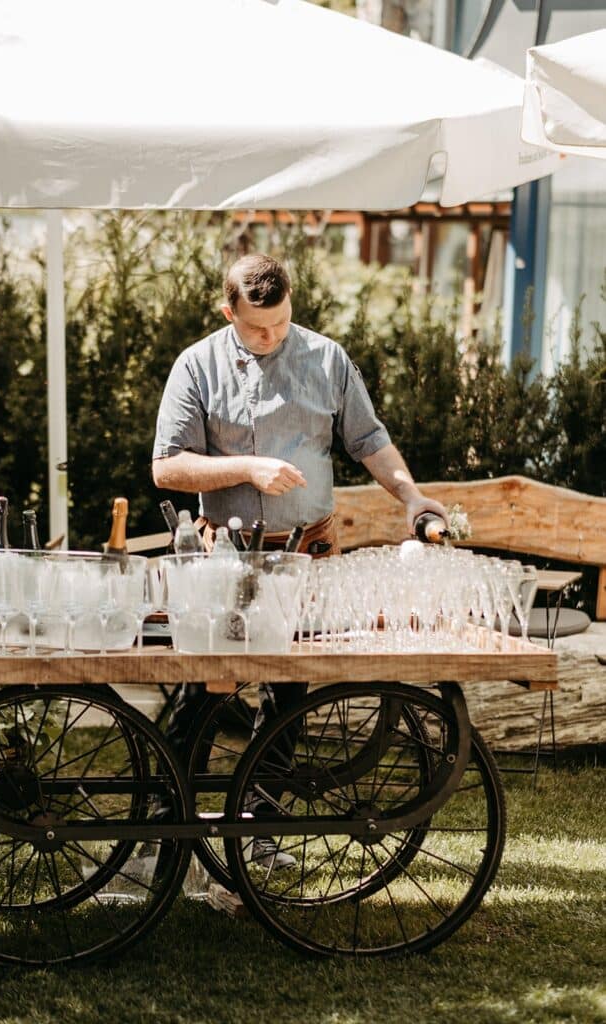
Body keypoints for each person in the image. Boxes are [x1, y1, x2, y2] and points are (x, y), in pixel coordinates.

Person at [152, 253, 447, 869]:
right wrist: (247, 467)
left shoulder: (327, 358)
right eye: (258, 327)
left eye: (282, 323)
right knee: (202, 692)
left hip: (308, 551)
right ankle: (162, 827)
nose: (272, 337)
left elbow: (370, 440)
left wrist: (412, 497)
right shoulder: (197, 365)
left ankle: (258, 829)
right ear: (228, 311)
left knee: (289, 698)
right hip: (227, 557)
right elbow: (167, 467)